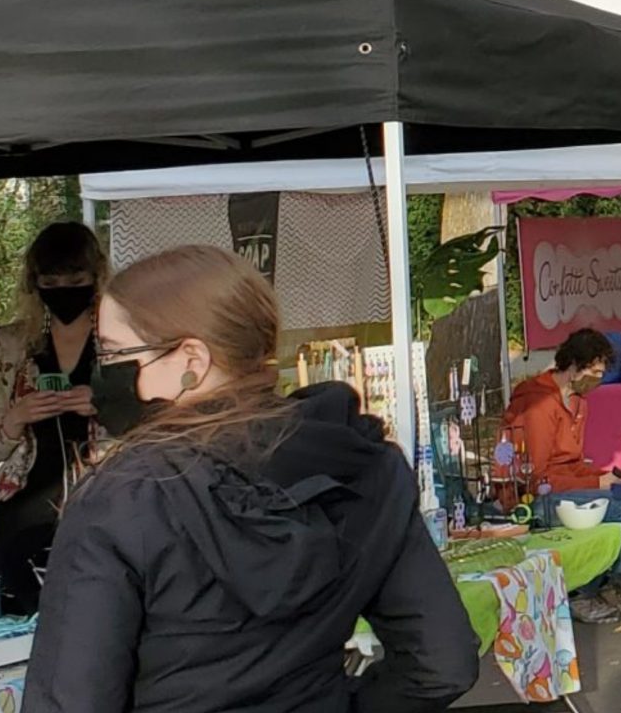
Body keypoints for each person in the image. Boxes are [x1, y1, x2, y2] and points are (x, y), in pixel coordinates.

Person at [27, 246, 476, 711]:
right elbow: (443, 663)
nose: (103, 373)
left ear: (191, 361)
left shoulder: (124, 495)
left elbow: (67, 701)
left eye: (117, 353)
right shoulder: (362, 463)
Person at [507, 328, 621, 623]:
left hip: (567, 486)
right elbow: (536, 477)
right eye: (593, 371)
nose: (597, 379)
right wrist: (596, 483)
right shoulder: (540, 405)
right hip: (539, 496)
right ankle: (581, 592)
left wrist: (610, 476)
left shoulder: (579, 402)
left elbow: (574, 462)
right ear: (573, 366)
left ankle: (614, 581)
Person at [0, 223, 104, 615]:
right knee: (16, 614)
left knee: (93, 612)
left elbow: (152, 422)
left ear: (97, 276)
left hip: (101, 496)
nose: (64, 290)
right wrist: (16, 417)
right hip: (25, 503)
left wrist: (104, 403)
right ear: (35, 284)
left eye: (76, 279)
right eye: (51, 281)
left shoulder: (122, 336)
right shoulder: (9, 343)